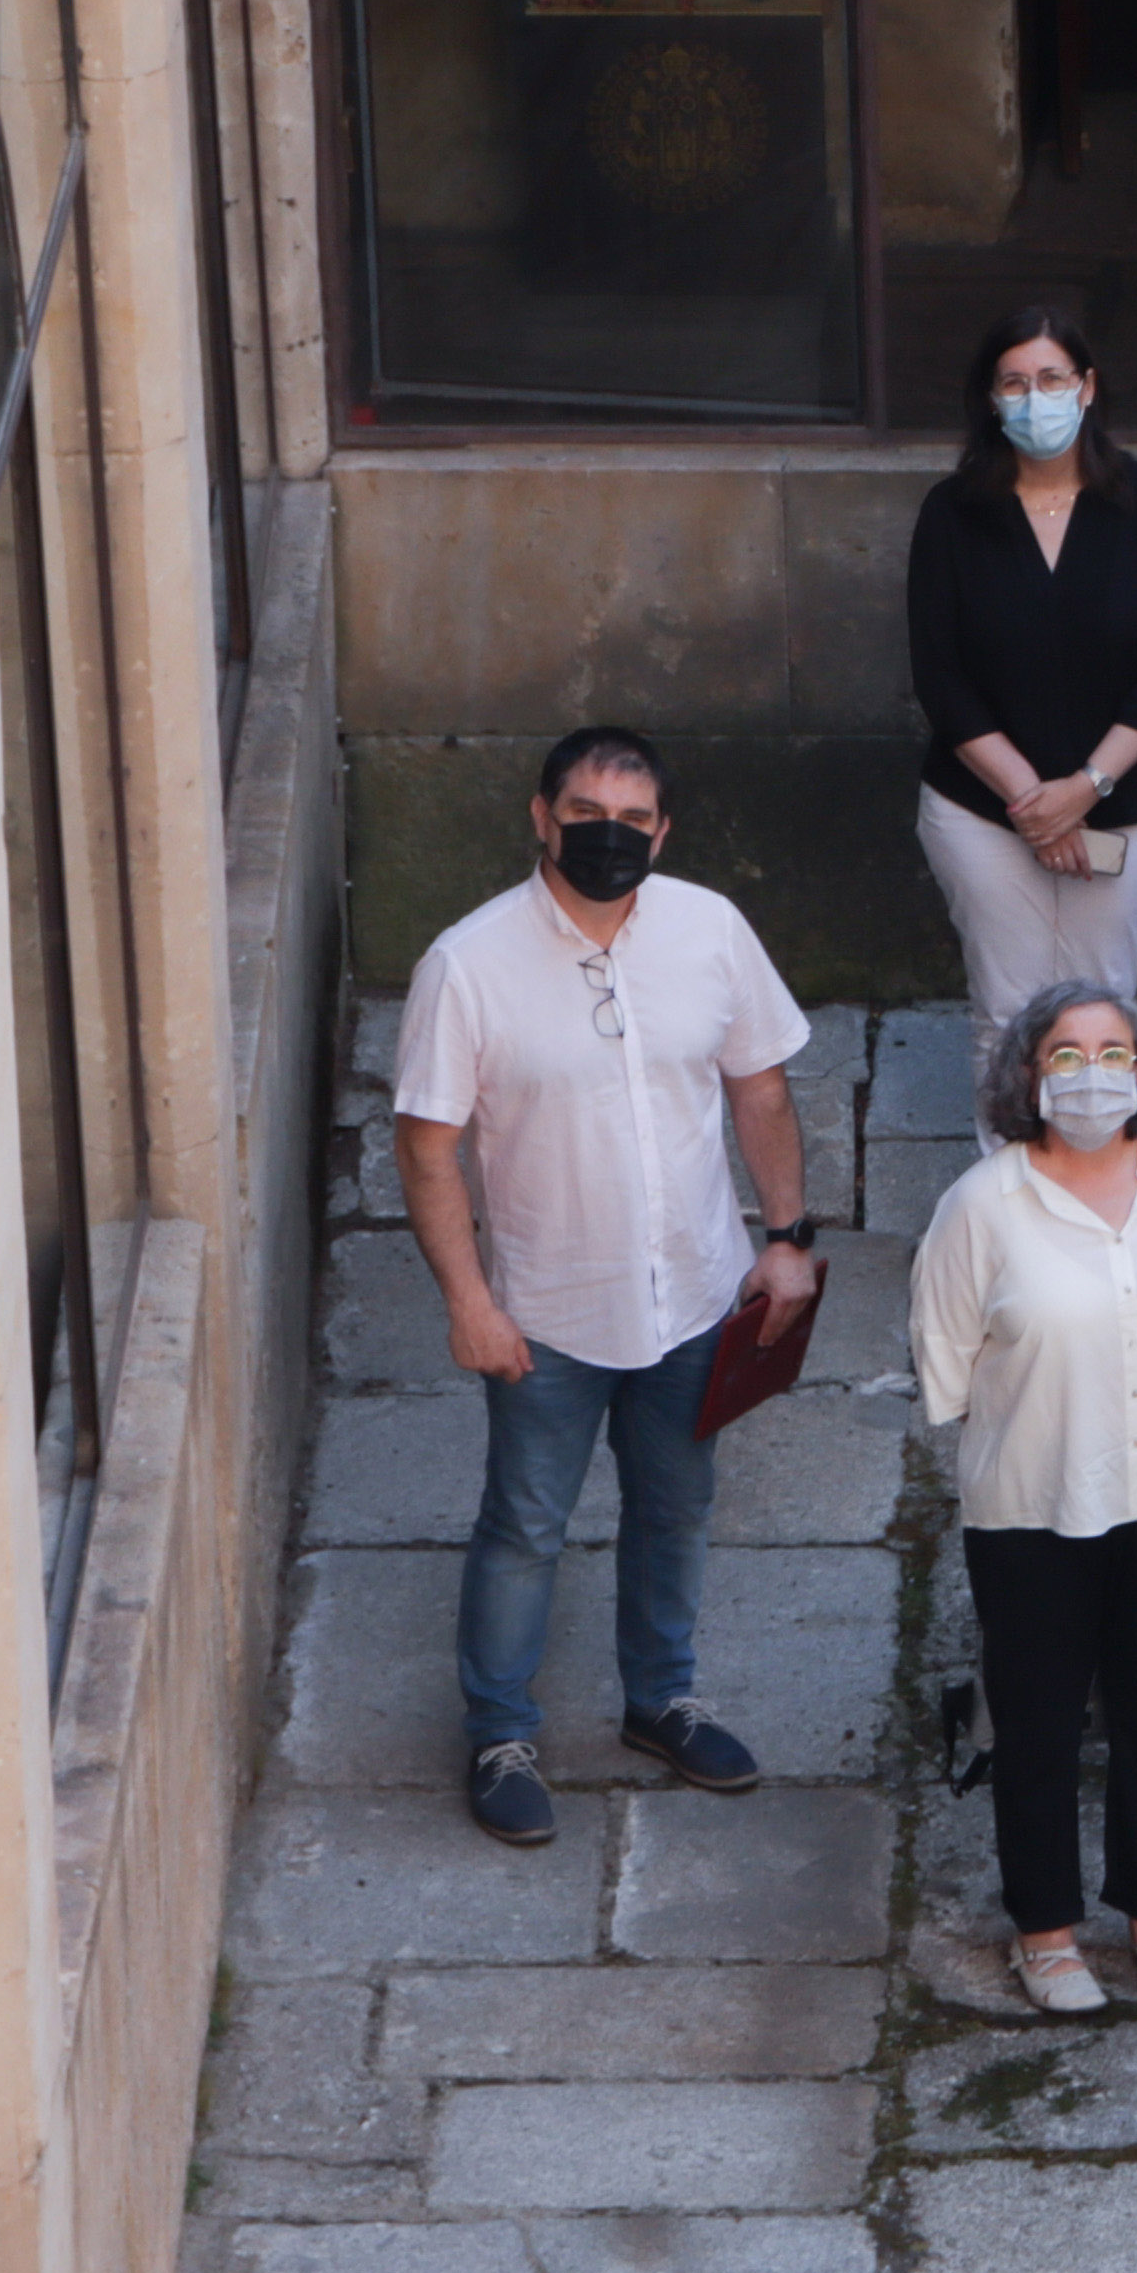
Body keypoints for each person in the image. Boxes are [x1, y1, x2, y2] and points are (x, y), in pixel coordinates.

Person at [390, 728, 827, 1845]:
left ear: (663, 830)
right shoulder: (467, 963)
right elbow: (427, 1146)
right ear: (541, 815)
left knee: (676, 1503)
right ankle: (500, 1733)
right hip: (549, 1309)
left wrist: (785, 1235)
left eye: (633, 820)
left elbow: (761, 1087)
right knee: (526, 1523)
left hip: (693, 1293)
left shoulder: (710, 928)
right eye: (585, 810)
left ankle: (660, 1701)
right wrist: (468, 1302)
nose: (608, 834)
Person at [905, 986, 1137, 2010]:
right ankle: (1044, 1929)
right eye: (1064, 1052)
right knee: (1038, 1720)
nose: (1091, 1071)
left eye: (1111, 1050)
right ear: (1027, 1075)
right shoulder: (982, 1202)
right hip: (1036, 1496)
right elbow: (945, 1364)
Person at [905, 304, 1137, 1037]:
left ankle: (1102, 1151)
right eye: (1013, 382)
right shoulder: (951, 514)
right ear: (989, 398)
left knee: (1103, 1011)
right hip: (985, 813)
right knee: (1006, 1018)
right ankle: (1013, 1156)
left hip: (1127, 805)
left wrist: (1085, 789)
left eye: (1050, 377)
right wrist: (1033, 805)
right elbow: (940, 677)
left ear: (1087, 386)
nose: (1034, 398)